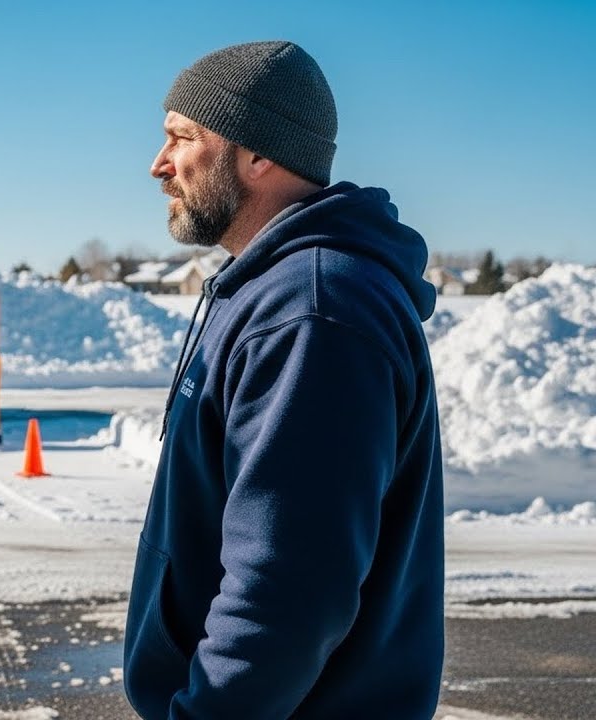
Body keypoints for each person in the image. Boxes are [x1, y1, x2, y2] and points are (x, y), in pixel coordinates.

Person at [123, 41, 444, 718]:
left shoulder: (312, 312)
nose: (158, 165)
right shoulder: (270, 292)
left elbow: (289, 586)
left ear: (257, 153)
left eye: (182, 137)